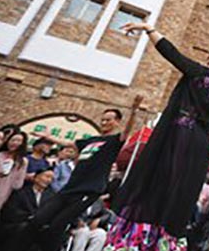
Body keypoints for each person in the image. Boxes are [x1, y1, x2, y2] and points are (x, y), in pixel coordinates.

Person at [106, 23, 209, 250]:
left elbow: (171, 53)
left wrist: (148, 28)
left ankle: (140, 238)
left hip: (179, 136)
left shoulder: (199, 72)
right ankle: (166, 241)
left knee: (157, 180)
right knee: (180, 190)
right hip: (201, 145)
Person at [13, 101, 141, 251]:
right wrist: (48, 137)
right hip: (70, 188)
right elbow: (68, 143)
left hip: (88, 190)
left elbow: (126, 132)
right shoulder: (90, 140)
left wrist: (134, 111)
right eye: (103, 119)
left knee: (57, 226)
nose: (104, 122)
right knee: (38, 220)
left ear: (117, 122)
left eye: (109, 120)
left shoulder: (113, 141)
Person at [0, 130, 29, 215]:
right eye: (12, 140)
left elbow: (17, 185)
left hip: (2, 195)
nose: (14, 143)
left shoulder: (22, 162)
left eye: (18, 141)